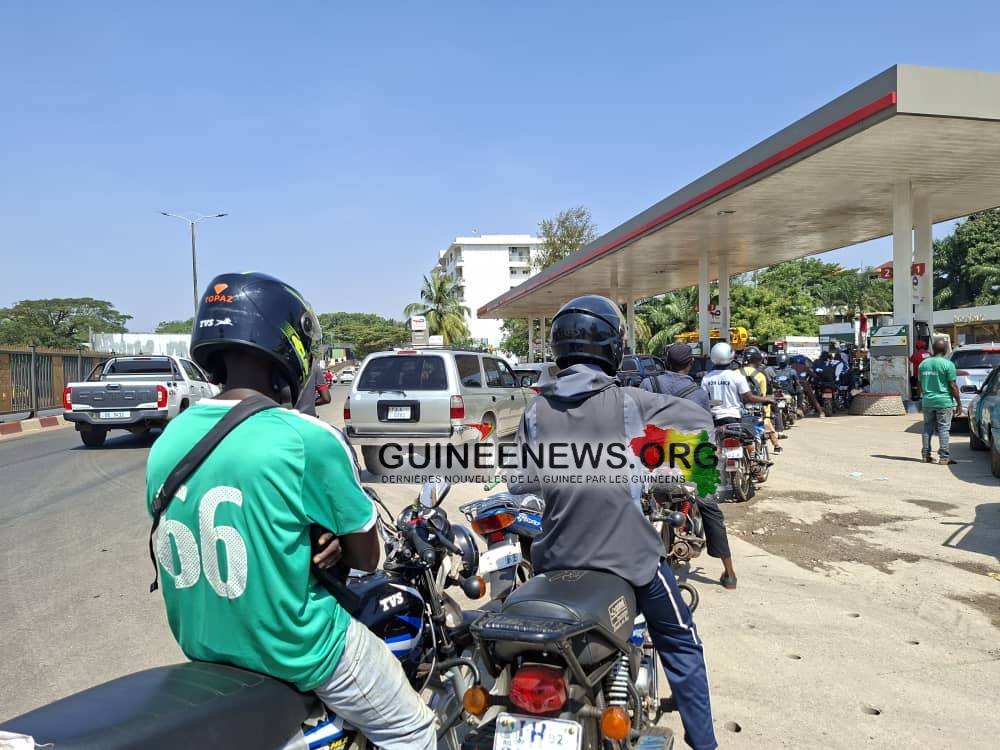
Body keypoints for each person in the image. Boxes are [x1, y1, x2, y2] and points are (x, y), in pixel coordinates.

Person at [145, 272, 436, 749]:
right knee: (414, 729)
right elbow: (367, 560)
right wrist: (337, 544)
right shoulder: (305, 438)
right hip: (296, 649)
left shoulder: (167, 441)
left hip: (203, 646)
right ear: (288, 343)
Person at [507, 295, 718, 750]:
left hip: (555, 560)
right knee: (682, 643)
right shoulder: (632, 403)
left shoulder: (535, 410)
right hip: (630, 561)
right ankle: (706, 745)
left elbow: (520, 482)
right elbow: (702, 425)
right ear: (613, 347)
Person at [654, 343, 739, 590]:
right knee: (710, 508)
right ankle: (729, 573)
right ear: (690, 364)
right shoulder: (697, 392)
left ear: (665, 362)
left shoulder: (650, 385)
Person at [701, 342, 775, 428]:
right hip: (733, 417)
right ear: (731, 356)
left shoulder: (706, 378)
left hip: (713, 419)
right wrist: (767, 399)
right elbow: (749, 397)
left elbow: (704, 399)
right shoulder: (737, 376)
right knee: (748, 437)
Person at [918, 338, 962, 465]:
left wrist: (925, 395)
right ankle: (944, 457)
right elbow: (953, 386)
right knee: (943, 429)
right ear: (946, 349)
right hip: (944, 402)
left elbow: (919, 383)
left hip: (927, 401)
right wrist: (959, 403)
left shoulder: (923, 364)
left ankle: (925, 455)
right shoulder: (948, 364)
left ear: (933, 349)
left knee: (927, 428)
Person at [640, 342, 712, 412]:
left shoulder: (648, 385)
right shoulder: (700, 395)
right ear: (692, 362)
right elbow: (705, 423)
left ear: (667, 361)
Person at [739, 347, 782, 455]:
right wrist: (767, 415)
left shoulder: (735, 372)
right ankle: (776, 446)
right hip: (756, 408)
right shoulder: (760, 374)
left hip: (738, 409)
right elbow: (764, 396)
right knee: (766, 426)